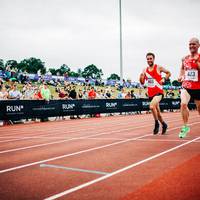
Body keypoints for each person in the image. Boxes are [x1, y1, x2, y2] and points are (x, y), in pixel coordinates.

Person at [139, 52, 171, 134]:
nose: (149, 60)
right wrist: (141, 77)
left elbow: (168, 73)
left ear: (153, 59)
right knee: (158, 113)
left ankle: (156, 124)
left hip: (159, 92)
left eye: (150, 58)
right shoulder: (144, 70)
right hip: (151, 94)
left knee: (152, 106)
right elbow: (142, 82)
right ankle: (164, 124)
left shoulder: (158, 67)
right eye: (148, 59)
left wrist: (164, 79)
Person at [178, 37, 200, 138]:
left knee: (199, 109)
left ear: (198, 45)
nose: (191, 46)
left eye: (194, 44)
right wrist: (181, 76)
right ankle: (185, 126)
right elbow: (182, 68)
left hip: (198, 88)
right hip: (186, 86)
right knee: (183, 104)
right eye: (190, 44)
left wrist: (196, 62)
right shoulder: (184, 58)